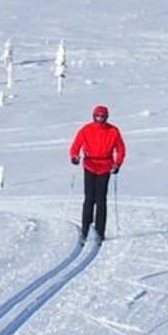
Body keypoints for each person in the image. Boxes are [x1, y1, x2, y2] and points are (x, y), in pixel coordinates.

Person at [68, 103, 127, 244]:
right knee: (89, 199)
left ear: (106, 117)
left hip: (105, 166)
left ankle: (100, 231)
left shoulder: (113, 131)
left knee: (101, 200)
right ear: (93, 115)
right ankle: (85, 230)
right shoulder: (86, 130)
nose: (100, 118)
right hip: (89, 165)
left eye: (102, 116)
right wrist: (74, 157)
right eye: (97, 115)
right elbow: (75, 146)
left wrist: (117, 164)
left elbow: (121, 149)